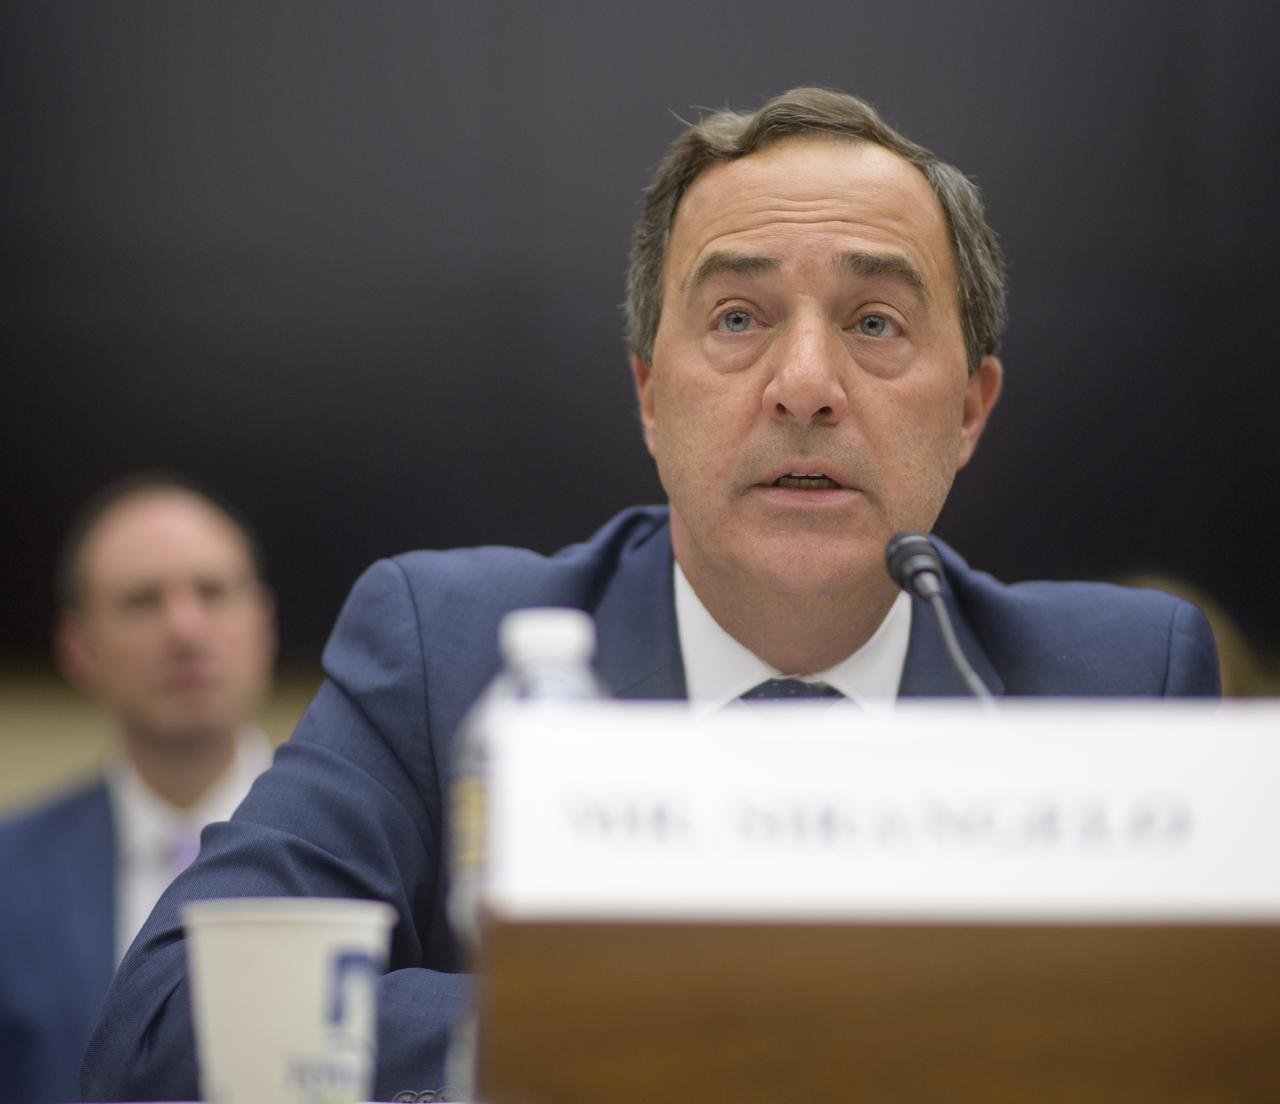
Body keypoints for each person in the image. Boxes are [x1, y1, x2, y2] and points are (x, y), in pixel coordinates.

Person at [81, 88, 1218, 1101]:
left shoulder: (1122, 684)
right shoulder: (444, 652)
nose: (805, 386)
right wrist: (656, 1030)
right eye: (737, 319)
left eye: (874, 323)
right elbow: (166, 1031)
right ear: (648, 398)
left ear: (968, 408)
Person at [0, 476, 276, 1104]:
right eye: (142, 601)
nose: (185, 628)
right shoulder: (9, 876)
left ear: (263, 625)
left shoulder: (373, 852)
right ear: (79, 649)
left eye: (212, 592)